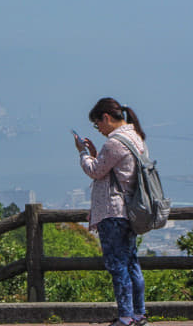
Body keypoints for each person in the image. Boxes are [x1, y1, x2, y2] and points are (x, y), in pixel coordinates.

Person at [73, 97, 148, 326]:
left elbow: (95, 171)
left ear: (106, 117)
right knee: (132, 263)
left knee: (118, 266)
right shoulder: (136, 137)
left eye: (97, 125)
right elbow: (113, 170)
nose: (99, 130)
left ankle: (125, 317)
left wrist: (83, 153)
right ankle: (139, 314)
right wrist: (97, 153)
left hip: (113, 212)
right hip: (130, 211)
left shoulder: (115, 142)